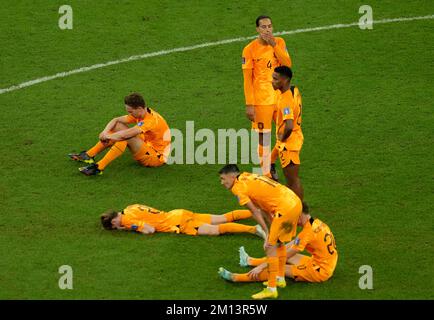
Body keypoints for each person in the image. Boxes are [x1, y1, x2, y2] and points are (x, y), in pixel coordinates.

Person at [219, 164, 302, 299]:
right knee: (279, 243)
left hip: (285, 208)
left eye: (223, 179)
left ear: (232, 176)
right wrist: (269, 231)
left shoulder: (238, 188)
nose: (222, 183)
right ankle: (280, 278)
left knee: (270, 247)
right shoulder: (247, 177)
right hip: (294, 203)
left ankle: (271, 288)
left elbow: (254, 211)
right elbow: (263, 208)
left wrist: (267, 234)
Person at [218, 203, 338, 284]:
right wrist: (279, 249)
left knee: (279, 267)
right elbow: (292, 245)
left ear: (300, 214)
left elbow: (285, 256)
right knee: (281, 254)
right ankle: (249, 261)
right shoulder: (316, 223)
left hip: (320, 271)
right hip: (322, 262)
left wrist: (262, 267)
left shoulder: (307, 233)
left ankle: (237, 278)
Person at [68, 92, 171, 176]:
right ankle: (88, 155)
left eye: (131, 112)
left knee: (126, 137)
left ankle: (98, 167)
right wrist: (104, 132)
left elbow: (125, 135)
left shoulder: (150, 121)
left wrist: (107, 136)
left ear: (139, 108)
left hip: (156, 157)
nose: (130, 114)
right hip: (147, 144)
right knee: (118, 126)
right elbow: (116, 120)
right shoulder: (144, 112)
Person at [242, 15, 292, 177]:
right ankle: (265, 174)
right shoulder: (249, 49)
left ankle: (270, 161)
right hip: (261, 101)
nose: (267, 30)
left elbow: (287, 65)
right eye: (263, 27)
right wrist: (249, 104)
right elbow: (247, 80)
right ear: (257, 29)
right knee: (263, 137)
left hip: (279, 98)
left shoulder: (280, 42)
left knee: (287, 132)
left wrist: (274, 45)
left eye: (269, 26)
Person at [100, 203, 266, 238]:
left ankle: (254, 229)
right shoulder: (130, 207)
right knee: (222, 217)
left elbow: (149, 229)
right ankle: (258, 212)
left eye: (115, 227)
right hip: (178, 212)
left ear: (114, 222)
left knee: (216, 230)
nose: (117, 227)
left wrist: (130, 229)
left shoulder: (127, 220)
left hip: (179, 223)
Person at [269, 66, 304, 199]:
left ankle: (300, 214)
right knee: (269, 162)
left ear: (285, 80)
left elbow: (289, 126)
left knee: (293, 181)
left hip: (288, 143)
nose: (272, 81)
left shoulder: (285, 100)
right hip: (295, 136)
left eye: (275, 79)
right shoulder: (294, 89)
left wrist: (282, 139)